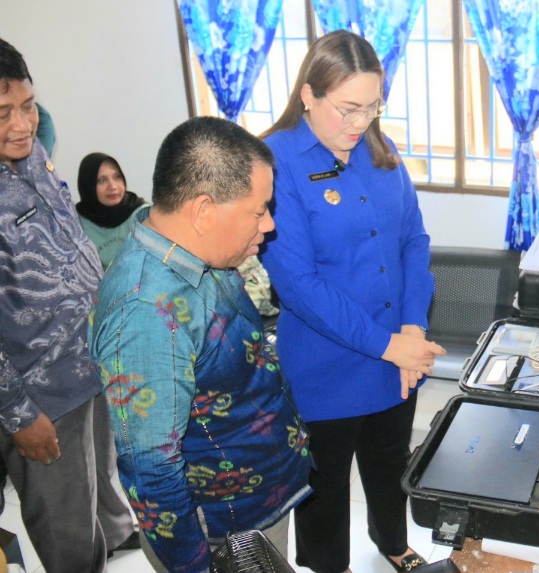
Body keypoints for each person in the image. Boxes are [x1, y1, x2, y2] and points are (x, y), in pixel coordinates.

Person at [89, 116, 313, 573]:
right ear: (204, 210)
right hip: (221, 532)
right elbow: (152, 471)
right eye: (259, 210)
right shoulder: (146, 312)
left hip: (253, 498)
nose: (268, 225)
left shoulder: (198, 253)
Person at [259, 30, 446, 573]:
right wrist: (388, 344)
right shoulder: (276, 161)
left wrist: (412, 327)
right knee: (325, 484)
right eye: (346, 109)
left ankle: (392, 540)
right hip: (326, 365)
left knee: (389, 464)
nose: (359, 123)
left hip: (397, 354)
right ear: (309, 95)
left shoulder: (379, 150)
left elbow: (413, 241)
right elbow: (297, 283)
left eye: (371, 107)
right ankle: (326, 566)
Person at [1, 37, 112, 573]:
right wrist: (21, 415)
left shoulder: (31, 155)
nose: (23, 124)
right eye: (4, 113)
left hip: (79, 369)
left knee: (86, 518)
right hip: (35, 397)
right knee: (67, 538)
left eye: (28, 105)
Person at [76, 152, 148, 269]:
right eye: (102, 180)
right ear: (88, 185)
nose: (113, 186)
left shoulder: (142, 215)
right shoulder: (75, 222)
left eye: (117, 177)